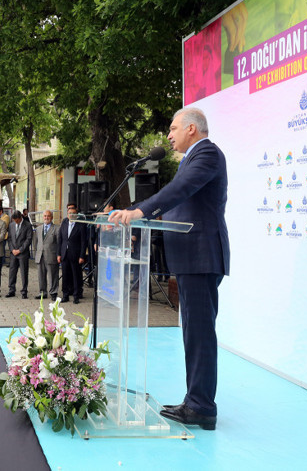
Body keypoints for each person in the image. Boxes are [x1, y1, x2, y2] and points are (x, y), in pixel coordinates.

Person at [109, 107, 229, 431]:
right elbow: (179, 206)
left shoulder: (207, 154)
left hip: (201, 257)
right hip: (192, 258)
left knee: (200, 334)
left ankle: (202, 406)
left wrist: (139, 211)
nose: (169, 135)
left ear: (192, 128)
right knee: (193, 332)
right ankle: (196, 400)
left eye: (174, 128)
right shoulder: (193, 157)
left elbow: (179, 192)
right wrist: (135, 225)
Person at [57, 203, 87, 304]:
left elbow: (83, 242)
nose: (71, 215)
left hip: (76, 255)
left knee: (76, 276)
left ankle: (76, 295)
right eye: (70, 213)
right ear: (67, 214)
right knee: (65, 275)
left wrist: (82, 256)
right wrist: (59, 254)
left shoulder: (81, 225)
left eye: (73, 214)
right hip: (65, 254)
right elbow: (60, 239)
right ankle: (65, 295)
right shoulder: (64, 223)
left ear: (76, 214)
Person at [6, 210, 32, 299]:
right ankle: (11, 290)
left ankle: (24, 291)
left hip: (23, 253)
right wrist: (12, 249)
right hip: (13, 253)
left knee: (24, 272)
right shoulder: (11, 225)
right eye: (14, 220)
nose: (15, 222)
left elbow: (28, 239)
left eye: (17, 220)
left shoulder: (28, 225)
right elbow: (9, 239)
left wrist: (20, 250)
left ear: (20, 218)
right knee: (12, 272)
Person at [34, 210, 59, 300]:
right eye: (45, 216)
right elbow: (35, 242)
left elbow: (59, 243)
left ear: (51, 217)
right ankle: (42, 292)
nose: (46, 218)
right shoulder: (38, 229)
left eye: (48, 216)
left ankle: (53, 292)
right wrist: (36, 253)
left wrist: (58, 255)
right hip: (40, 255)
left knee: (53, 275)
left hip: (51, 255)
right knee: (41, 275)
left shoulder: (56, 228)